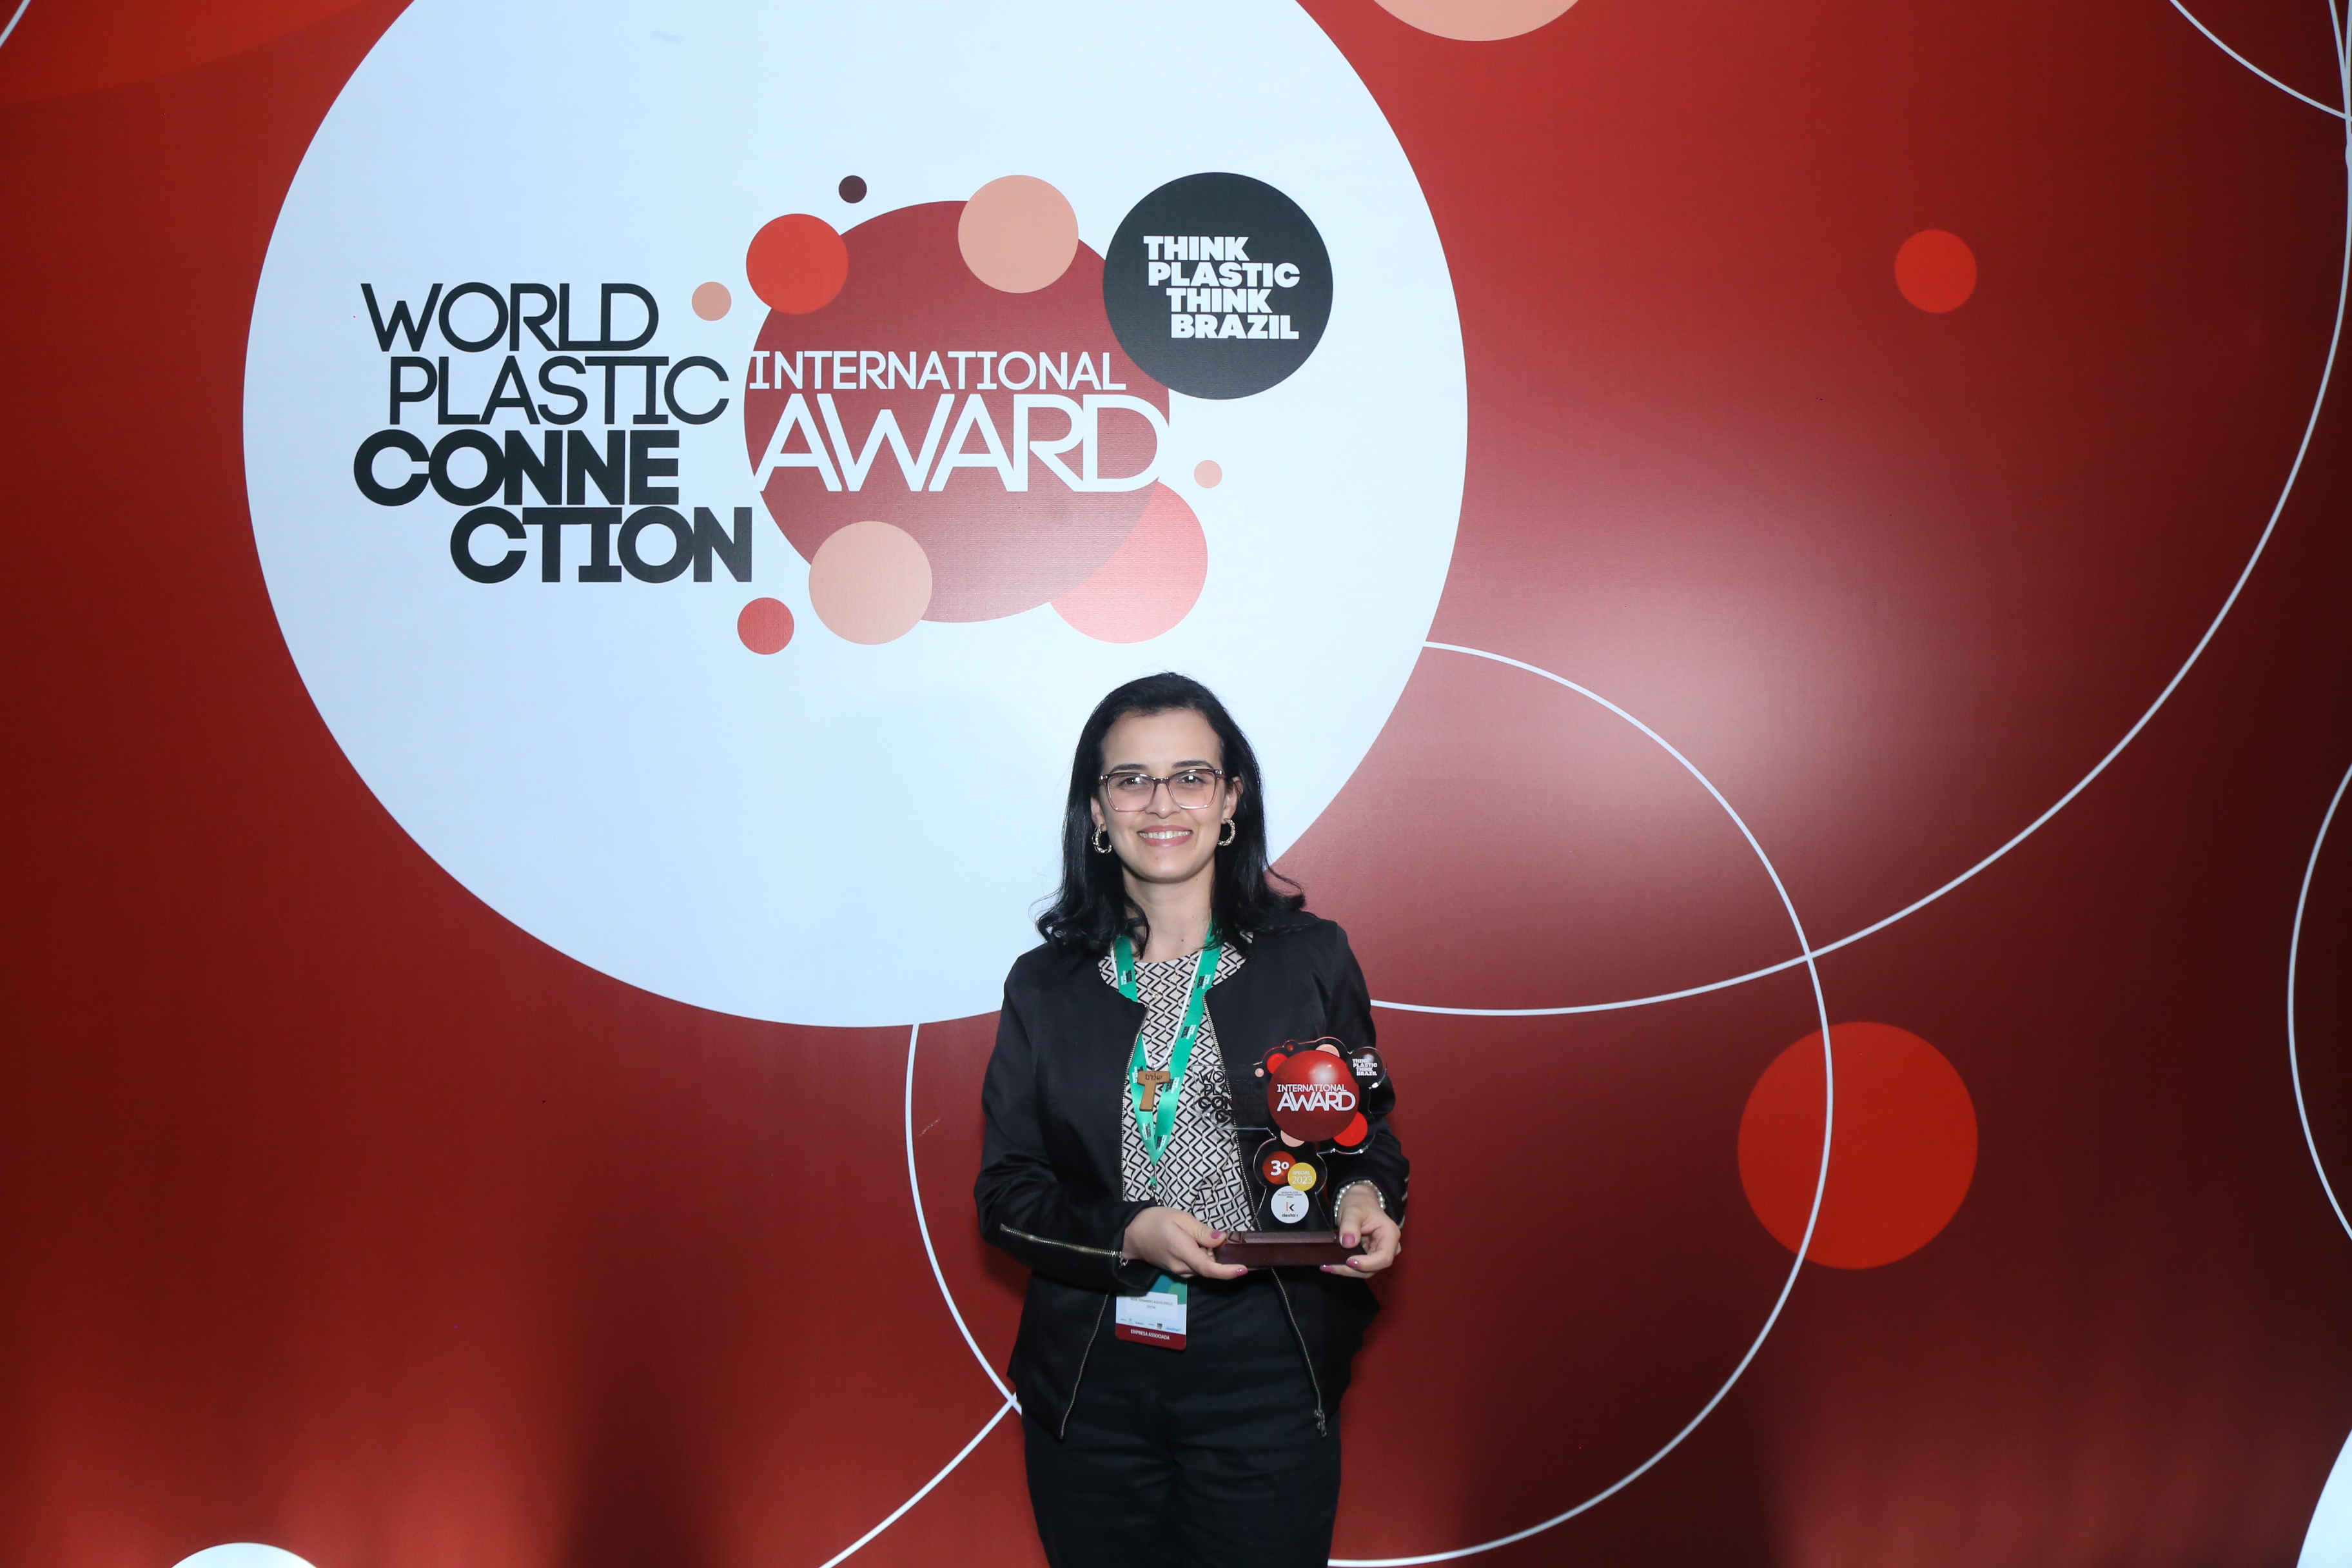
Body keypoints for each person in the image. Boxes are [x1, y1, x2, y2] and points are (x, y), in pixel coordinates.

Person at [975, 672, 1407, 1568]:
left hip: (1267, 1362)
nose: (1162, 803)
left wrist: (1365, 1200)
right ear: (1097, 810)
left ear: (1231, 799)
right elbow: (1007, 1195)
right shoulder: (1044, 986)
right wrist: (1129, 1233)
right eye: (1132, 779)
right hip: (1093, 1373)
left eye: (1191, 777)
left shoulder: (1310, 960)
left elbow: (1365, 1139)